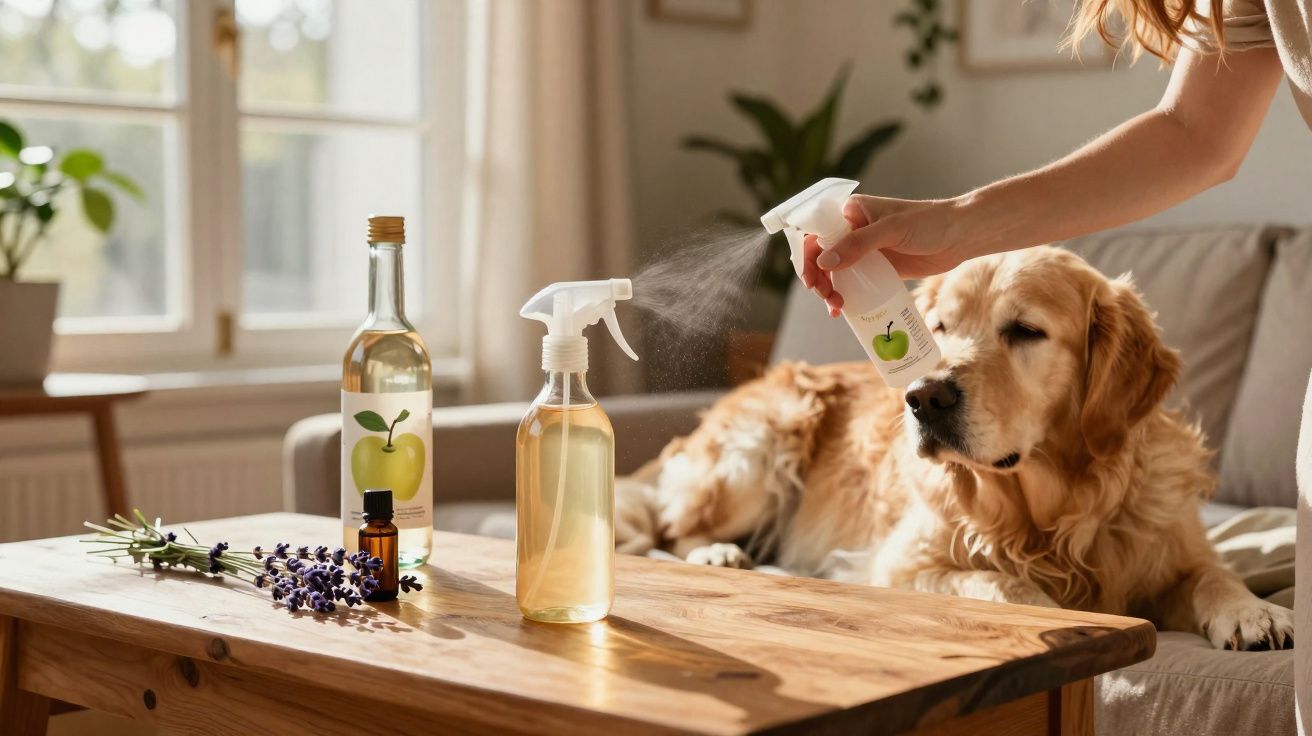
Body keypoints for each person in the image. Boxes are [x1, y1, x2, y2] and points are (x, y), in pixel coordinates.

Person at [798, 2, 1310, 731]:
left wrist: (1216, 593)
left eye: (1024, 333)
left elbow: (1187, 572)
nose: (940, 381)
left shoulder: (1135, 452)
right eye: (945, 331)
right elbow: (1195, 132)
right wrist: (956, 223)